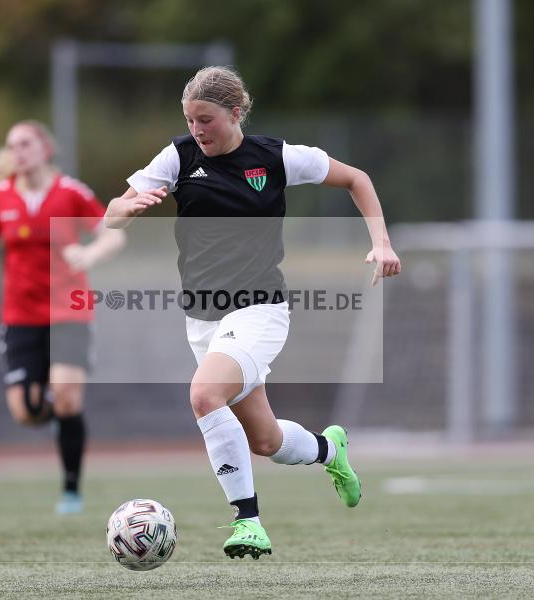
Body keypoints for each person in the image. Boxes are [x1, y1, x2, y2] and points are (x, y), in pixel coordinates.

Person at [104, 66, 401, 558]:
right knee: (265, 441)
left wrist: (381, 242)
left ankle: (248, 522)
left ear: (236, 112)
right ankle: (330, 449)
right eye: (190, 120)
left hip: (259, 309)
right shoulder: (178, 156)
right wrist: (126, 210)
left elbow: (357, 179)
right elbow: (112, 213)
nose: (197, 130)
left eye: (206, 119)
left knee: (204, 395)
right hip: (203, 320)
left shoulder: (275, 157)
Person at [0, 120, 126, 512]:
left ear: (45, 149)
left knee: (67, 398)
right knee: (26, 412)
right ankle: (53, 412)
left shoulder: (70, 193)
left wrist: (89, 254)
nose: (17, 152)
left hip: (68, 309)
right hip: (20, 314)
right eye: (12, 146)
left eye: (25, 143)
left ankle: (71, 491)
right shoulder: (1, 196)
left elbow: (113, 234)